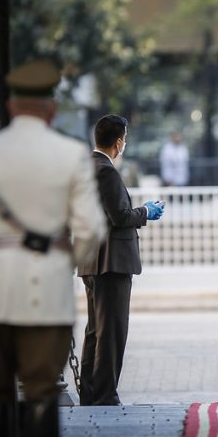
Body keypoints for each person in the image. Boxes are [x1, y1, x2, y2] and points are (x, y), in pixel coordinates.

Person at [0, 59, 106, 437]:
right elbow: (90, 231)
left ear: (11, 106)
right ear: (50, 108)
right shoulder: (71, 154)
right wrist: (61, 261)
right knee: (40, 392)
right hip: (45, 289)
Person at [77, 115, 164, 406]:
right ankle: (104, 394)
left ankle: (90, 391)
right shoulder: (106, 171)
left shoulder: (86, 167)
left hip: (92, 259)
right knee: (111, 331)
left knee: (95, 330)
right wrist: (146, 211)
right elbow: (121, 216)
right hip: (110, 261)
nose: (124, 144)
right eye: (124, 139)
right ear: (118, 142)